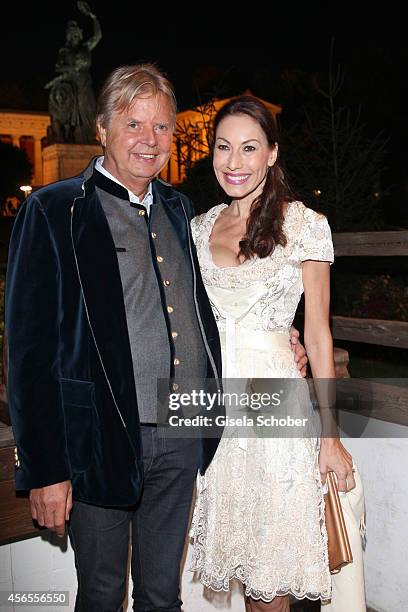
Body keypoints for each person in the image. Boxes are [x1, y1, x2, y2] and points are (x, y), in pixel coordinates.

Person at [5, 66, 307, 612]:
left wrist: (280, 327)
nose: (150, 140)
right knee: (100, 594)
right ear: (102, 128)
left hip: (181, 431)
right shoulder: (52, 211)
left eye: (163, 127)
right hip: (100, 439)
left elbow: (211, 297)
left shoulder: (178, 209)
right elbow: (27, 353)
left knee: (162, 597)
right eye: (134, 124)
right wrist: (45, 469)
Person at [189, 96, 357, 612]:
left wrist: (329, 437)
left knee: (270, 586)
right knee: (237, 566)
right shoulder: (196, 229)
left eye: (249, 148)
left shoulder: (303, 224)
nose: (233, 162)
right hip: (213, 416)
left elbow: (319, 336)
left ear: (272, 154)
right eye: (223, 147)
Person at [45, 1, 101, 144]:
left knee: (89, 110)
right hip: (71, 83)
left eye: (77, 34)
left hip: (85, 82)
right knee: (75, 110)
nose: (75, 36)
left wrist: (93, 17)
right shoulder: (64, 51)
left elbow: (97, 36)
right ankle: (76, 135)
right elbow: (58, 68)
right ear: (69, 36)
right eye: (73, 34)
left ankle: (88, 137)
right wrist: (70, 69)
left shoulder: (85, 48)